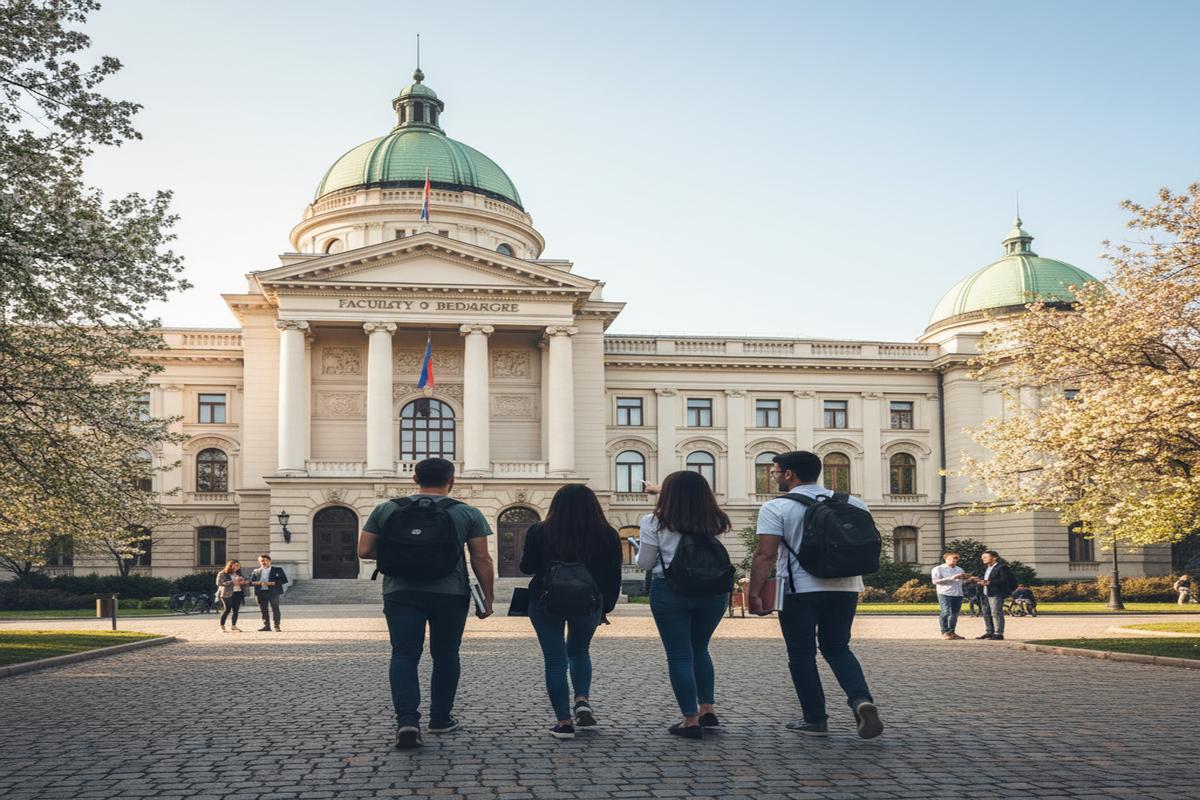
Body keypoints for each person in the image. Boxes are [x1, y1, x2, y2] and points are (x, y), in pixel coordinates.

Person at [358, 457, 495, 750]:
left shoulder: (387, 509)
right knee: (446, 655)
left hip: (400, 592)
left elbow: (364, 550)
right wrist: (487, 597)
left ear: (414, 480)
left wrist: (402, 551)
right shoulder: (467, 512)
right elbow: (481, 558)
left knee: (404, 655)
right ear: (452, 480)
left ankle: (407, 721)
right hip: (450, 593)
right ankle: (440, 719)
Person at [747, 450, 883, 739]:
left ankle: (815, 719)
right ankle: (861, 700)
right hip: (846, 587)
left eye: (774, 472)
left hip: (799, 590)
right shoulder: (853, 502)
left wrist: (754, 593)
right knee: (838, 648)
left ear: (788, 474)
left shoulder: (777, 507)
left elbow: (765, 555)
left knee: (801, 654)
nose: (773, 477)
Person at [520, 484, 622, 739]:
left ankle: (564, 722)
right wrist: (605, 607)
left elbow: (526, 567)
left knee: (555, 660)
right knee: (579, 651)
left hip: (545, 601)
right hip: (588, 603)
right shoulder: (607, 534)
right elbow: (613, 575)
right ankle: (582, 700)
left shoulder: (540, 531)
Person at [636, 470, 732, 740]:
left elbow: (645, 563)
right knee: (700, 648)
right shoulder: (716, 519)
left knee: (679, 654)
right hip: (713, 591)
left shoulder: (653, 521)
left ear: (669, 495)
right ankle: (707, 709)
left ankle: (690, 720)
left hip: (671, 590)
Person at [972, 550, 1016, 640]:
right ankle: (989, 632)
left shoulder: (1002, 567)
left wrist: (990, 582)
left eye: (986, 557)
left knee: (996, 612)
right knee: (986, 613)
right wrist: (977, 579)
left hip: (995, 593)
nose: (983, 558)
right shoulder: (985, 568)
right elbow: (982, 578)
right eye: (982, 557)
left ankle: (998, 633)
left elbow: (1006, 580)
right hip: (984, 593)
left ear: (994, 558)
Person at [931, 552, 969, 639]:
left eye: (957, 558)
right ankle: (944, 631)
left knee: (954, 614)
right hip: (945, 593)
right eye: (953, 558)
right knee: (945, 612)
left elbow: (962, 582)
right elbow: (935, 581)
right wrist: (953, 577)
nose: (955, 560)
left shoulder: (959, 569)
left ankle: (951, 632)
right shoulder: (938, 569)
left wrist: (968, 579)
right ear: (946, 559)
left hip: (958, 593)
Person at [250, 554, 288, 632]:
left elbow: (284, 580)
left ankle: (276, 626)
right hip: (260, 592)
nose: (264, 562)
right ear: (259, 562)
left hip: (273, 592)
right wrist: (258, 583)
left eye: (265, 560)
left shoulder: (278, 570)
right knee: (263, 610)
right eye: (262, 561)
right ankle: (266, 626)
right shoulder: (256, 571)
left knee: (275, 608)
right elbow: (251, 582)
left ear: (270, 561)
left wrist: (272, 583)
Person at [215, 559, 247, 632]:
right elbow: (219, 583)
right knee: (227, 609)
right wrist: (232, 582)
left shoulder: (239, 574)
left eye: (238, 566)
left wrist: (243, 581)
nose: (237, 567)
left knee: (236, 610)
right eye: (235, 565)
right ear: (230, 565)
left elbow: (246, 582)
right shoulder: (222, 573)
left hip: (238, 592)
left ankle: (233, 626)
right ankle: (222, 626)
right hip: (226, 594)